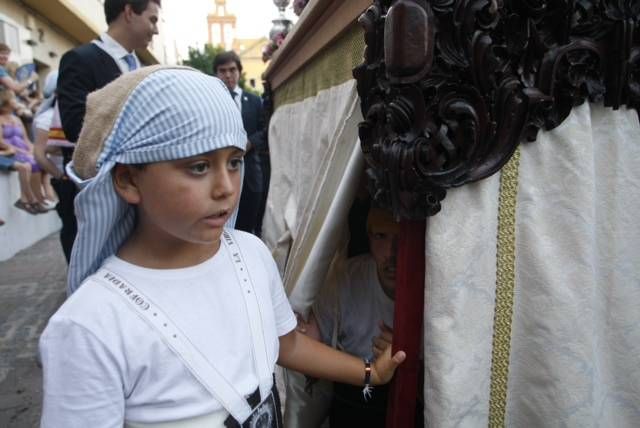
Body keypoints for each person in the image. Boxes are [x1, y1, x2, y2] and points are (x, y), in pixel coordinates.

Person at [38, 66, 406, 427]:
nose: (227, 188)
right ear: (129, 180)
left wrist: (370, 371)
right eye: (198, 166)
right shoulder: (88, 326)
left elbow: (285, 344)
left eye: (234, 162)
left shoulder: (250, 253)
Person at [55, 0, 160, 262]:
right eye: (152, 19)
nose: (155, 30)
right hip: (100, 198)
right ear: (128, 12)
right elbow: (75, 125)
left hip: (143, 200)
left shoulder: (144, 69)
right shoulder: (80, 60)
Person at [294, 207, 411, 428]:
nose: (391, 253)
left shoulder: (435, 297)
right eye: (381, 236)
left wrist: (408, 356)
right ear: (368, 237)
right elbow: (303, 343)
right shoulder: (345, 280)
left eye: (401, 237)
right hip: (352, 400)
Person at [214, 51, 267, 236]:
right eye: (222, 70)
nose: (228, 75)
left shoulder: (254, 100)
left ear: (239, 72)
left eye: (232, 70)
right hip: (223, 172)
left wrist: (250, 143)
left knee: (251, 219)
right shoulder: (213, 102)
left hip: (252, 170)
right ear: (216, 73)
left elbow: (265, 129)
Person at [0, 90, 48, 214]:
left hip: (23, 151)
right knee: (29, 162)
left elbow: (26, 139)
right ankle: (29, 199)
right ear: (5, 102)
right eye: (13, 99)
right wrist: (22, 151)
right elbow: (1, 142)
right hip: (12, 151)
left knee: (36, 162)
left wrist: (32, 150)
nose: (16, 101)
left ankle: (36, 198)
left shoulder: (17, 119)